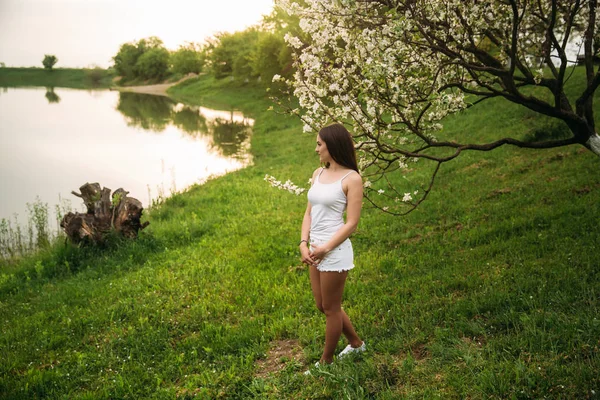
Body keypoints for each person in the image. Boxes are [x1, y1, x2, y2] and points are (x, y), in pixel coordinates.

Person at [299, 123, 366, 372]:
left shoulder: (352, 179)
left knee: (331, 308)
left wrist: (326, 247)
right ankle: (357, 344)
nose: (316, 149)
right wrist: (303, 244)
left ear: (332, 145)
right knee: (323, 305)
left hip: (334, 251)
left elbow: (352, 223)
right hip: (314, 249)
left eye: (319, 144)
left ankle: (325, 363)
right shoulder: (318, 174)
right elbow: (309, 213)